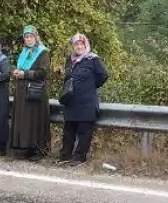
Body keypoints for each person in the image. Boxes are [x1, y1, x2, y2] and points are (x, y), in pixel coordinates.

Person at [57, 33, 108, 165]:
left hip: (86, 102)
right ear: (73, 46)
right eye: (76, 44)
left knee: (84, 132)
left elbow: (103, 75)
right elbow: (67, 78)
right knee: (68, 131)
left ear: (85, 45)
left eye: (81, 44)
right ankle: (65, 156)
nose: (79, 46)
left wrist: (90, 85)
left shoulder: (93, 59)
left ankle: (80, 158)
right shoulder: (70, 60)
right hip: (71, 102)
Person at [9, 25, 52, 162]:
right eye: (26, 37)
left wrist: (24, 73)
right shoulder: (24, 52)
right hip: (23, 90)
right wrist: (16, 71)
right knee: (25, 120)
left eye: (31, 36)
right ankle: (25, 147)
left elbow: (42, 72)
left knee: (35, 120)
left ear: (36, 37)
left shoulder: (42, 52)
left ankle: (38, 150)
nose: (28, 39)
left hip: (35, 91)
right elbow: (21, 68)